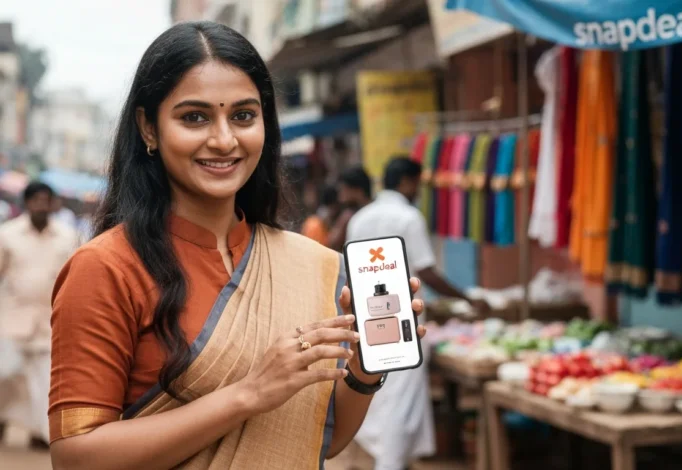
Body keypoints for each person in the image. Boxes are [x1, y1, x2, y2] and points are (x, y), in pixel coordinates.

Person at [47, 22, 425, 470]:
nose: (224, 140)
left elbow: (318, 439)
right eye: (195, 117)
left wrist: (364, 372)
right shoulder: (106, 268)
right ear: (149, 127)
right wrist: (248, 394)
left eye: (243, 116)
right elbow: (76, 457)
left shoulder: (309, 266)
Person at [346, 157, 488, 469]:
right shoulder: (408, 217)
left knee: (379, 392)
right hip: (402, 320)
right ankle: (390, 463)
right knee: (400, 396)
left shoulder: (360, 218)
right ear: (408, 182)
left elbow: (349, 271)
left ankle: (387, 459)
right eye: (418, 184)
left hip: (367, 316)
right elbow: (427, 271)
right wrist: (466, 299)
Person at [0, 182, 78, 447]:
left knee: (45, 382)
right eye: (35, 200)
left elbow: (75, 278)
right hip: (11, 318)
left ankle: (40, 434)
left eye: (46, 200)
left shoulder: (68, 237)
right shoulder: (7, 234)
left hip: (50, 321)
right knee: (6, 375)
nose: (40, 205)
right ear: (27, 203)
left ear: (53, 204)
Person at [329, 166, 372, 251]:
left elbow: (332, 244)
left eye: (343, 190)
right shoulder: (348, 214)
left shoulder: (349, 216)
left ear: (358, 190)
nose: (340, 198)